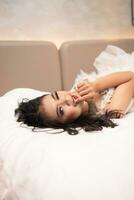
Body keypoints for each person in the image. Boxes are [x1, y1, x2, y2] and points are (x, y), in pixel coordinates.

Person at [15, 71, 134, 135]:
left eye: (57, 95)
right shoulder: (111, 111)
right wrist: (97, 86)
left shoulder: (81, 87)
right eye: (61, 110)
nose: (66, 99)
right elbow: (131, 77)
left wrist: (94, 85)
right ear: (67, 124)